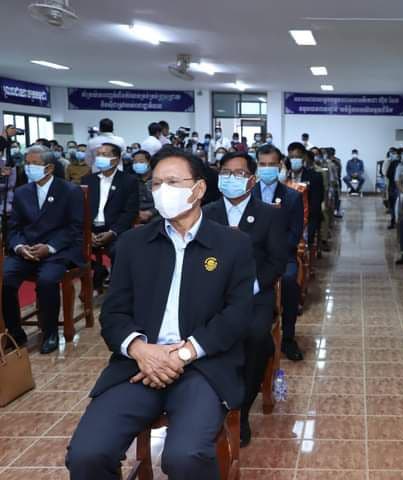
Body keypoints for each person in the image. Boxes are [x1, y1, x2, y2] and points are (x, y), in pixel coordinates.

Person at [66, 147, 256, 480]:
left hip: (203, 365)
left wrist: (182, 354)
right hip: (138, 365)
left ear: (198, 189)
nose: (162, 191)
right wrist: (140, 350)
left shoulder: (232, 244)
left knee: (185, 457)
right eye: (156, 184)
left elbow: (238, 314)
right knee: (87, 455)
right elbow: (114, 313)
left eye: (172, 182)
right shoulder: (133, 244)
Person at [203, 151, 286, 446]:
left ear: (252, 180)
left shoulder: (269, 214)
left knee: (255, 336)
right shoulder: (206, 213)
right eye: (225, 173)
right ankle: (206, 401)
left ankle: (242, 408)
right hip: (211, 293)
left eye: (238, 174)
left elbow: (277, 261)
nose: (231, 179)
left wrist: (250, 286)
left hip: (254, 294)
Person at [2, 145, 84, 353]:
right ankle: (15, 333)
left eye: (34, 164)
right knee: (5, 279)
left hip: (57, 251)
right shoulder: (21, 192)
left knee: (47, 281)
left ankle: (50, 333)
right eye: (27, 163)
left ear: (49, 168)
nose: (29, 167)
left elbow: (75, 228)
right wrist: (19, 247)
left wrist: (50, 247)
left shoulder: (69, 190)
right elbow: (14, 227)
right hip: (26, 250)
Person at [253, 145, 305, 361]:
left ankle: (288, 337)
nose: (267, 168)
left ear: (280, 165)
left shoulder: (292, 196)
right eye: (262, 164)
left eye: (271, 164)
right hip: (253, 255)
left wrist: (276, 252)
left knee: (290, 280)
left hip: (283, 255)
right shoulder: (248, 193)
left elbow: (295, 233)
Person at [81, 143, 139, 291]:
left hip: (115, 229)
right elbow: (81, 210)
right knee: (69, 247)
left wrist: (113, 232)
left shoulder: (128, 181)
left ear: (116, 159)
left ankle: (118, 288)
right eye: (98, 154)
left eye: (104, 155)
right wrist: (88, 232)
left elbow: (130, 212)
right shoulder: (88, 180)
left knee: (119, 250)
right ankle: (99, 270)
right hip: (90, 230)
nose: (99, 157)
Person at [288, 142, 324, 251]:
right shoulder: (283, 176)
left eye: (297, 157)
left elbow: (316, 203)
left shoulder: (315, 177)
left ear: (304, 157)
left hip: (307, 219)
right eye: (292, 157)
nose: (294, 160)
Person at [131, 150, 157, 224]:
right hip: (135, 214)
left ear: (149, 162)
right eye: (135, 162)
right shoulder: (130, 180)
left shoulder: (159, 178)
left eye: (141, 161)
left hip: (156, 214)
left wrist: (151, 212)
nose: (137, 164)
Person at [384, 149, 401, 229]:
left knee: (394, 205)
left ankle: (394, 222)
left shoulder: (394, 163)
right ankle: (395, 221)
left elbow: (388, 174)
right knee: (395, 205)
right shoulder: (394, 163)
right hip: (394, 187)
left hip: (393, 187)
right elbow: (387, 174)